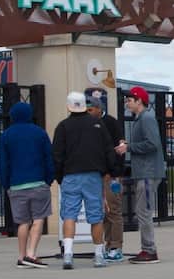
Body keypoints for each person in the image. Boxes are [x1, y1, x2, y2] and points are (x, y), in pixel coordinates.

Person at [51, 90, 118, 269]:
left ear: (68, 106)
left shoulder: (63, 127)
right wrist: (111, 170)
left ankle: (68, 254)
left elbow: (57, 154)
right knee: (95, 216)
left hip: (70, 175)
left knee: (70, 215)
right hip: (93, 176)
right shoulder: (97, 124)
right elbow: (108, 150)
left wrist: (59, 176)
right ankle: (98, 255)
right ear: (85, 106)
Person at [0, 102, 54, 269]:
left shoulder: (6, 135)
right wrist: (49, 179)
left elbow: (3, 163)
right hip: (38, 183)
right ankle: (31, 254)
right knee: (38, 219)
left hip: (16, 185)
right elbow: (48, 159)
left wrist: (6, 183)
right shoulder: (40, 133)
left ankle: (21, 256)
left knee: (22, 222)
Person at [123, 87, 164, 264]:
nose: (127, 102)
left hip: (148, 173)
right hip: (144, 172)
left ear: (139, 100)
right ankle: (147, 249)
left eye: (129, 99)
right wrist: (129, 144)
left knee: (144, 212)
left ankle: (149, 251)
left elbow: (153, 144)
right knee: (142, 211)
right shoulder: (141, 119)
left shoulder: (146, 118)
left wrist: (129, 147)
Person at [87, 90, 128, 261]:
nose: (88, 113)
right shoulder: (88, 124)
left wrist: (114, 172)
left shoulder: (111, 123)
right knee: (102, 212)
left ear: (98, 108)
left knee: (114, 210)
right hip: (96, 175)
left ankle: (116, 246)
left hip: (112, 176)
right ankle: (105, 244)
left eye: (90, 110)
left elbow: (121, 148)